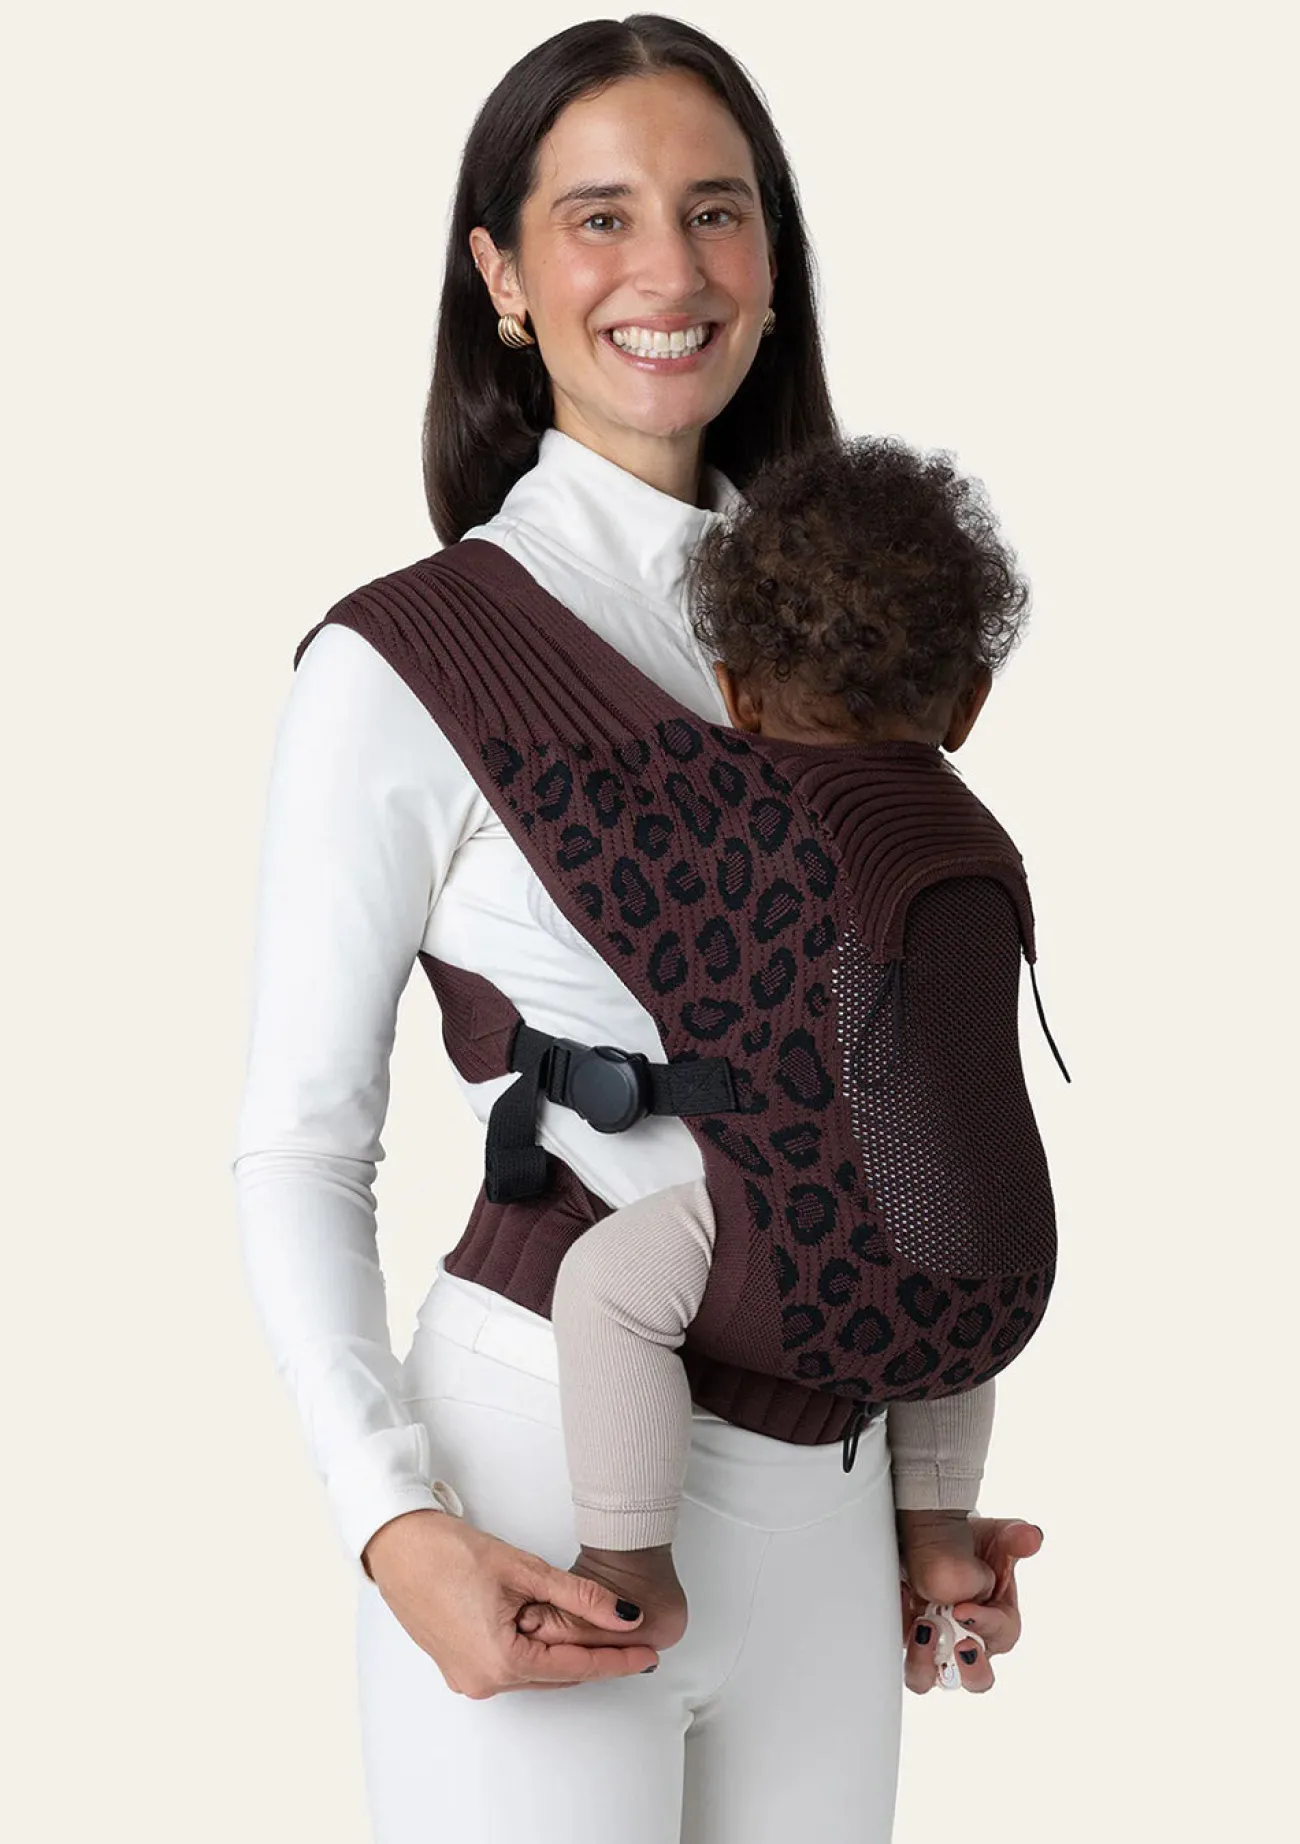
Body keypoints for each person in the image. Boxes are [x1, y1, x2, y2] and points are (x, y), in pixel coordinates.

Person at [232, 18, 1045, 1844]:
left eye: (717, 212)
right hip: (534, 1470)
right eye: (599, 216)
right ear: (502, 276)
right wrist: (393, 1520)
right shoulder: (404, 659)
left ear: (773, 265)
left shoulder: (858, 630)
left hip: (827, 1492)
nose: (669, 270)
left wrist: (927, 1498)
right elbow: (299, 1141)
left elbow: (907, 1077)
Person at [548, 429, 1054, 1653]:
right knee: (935, 1237)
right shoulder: (981, 837)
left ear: (732, 695)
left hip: (812, 1278)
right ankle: (940, 1527)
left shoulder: (745, 825)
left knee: (605, 1286)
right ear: (969, 703)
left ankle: (627, 1558)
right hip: (998, 1276)